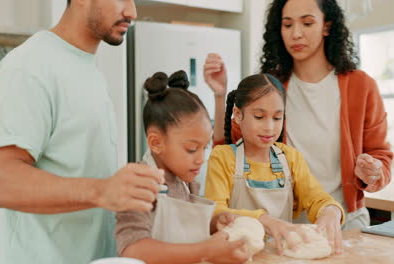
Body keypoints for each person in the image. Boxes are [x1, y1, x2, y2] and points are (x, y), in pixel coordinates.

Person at [0, 0, 165, 263]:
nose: (132, 12)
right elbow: (1, 183)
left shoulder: (86, 66)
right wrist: (103, 191)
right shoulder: (29, 66)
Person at [203, 0, 392, 230]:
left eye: (307, 23)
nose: (296, 33)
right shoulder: (271, 87)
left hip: (344, 220)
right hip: (283, 223)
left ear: (326, 26)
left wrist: (372, 172)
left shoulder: (361, 86)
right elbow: (230, 149)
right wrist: (219, 95)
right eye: (288, 24)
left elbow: (381, 157)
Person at [115, 71, 250, 264]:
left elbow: (184, 232)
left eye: (205, 148)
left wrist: (213, 224)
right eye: (192, 149)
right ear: (155, 142)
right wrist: (205, 251)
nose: (201, 159)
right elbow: (132, 250)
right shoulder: (138, 185)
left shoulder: (185, 181)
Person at [205, 73, 345, 255]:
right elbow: (215, 212)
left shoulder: (290, 158)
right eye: (259, 117)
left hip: (281, 255)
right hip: (236, 255)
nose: (269, 127)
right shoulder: (223, 158)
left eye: (277, 118)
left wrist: (331, 210)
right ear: (238, 115)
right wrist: (264, 220)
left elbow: (316, 197)